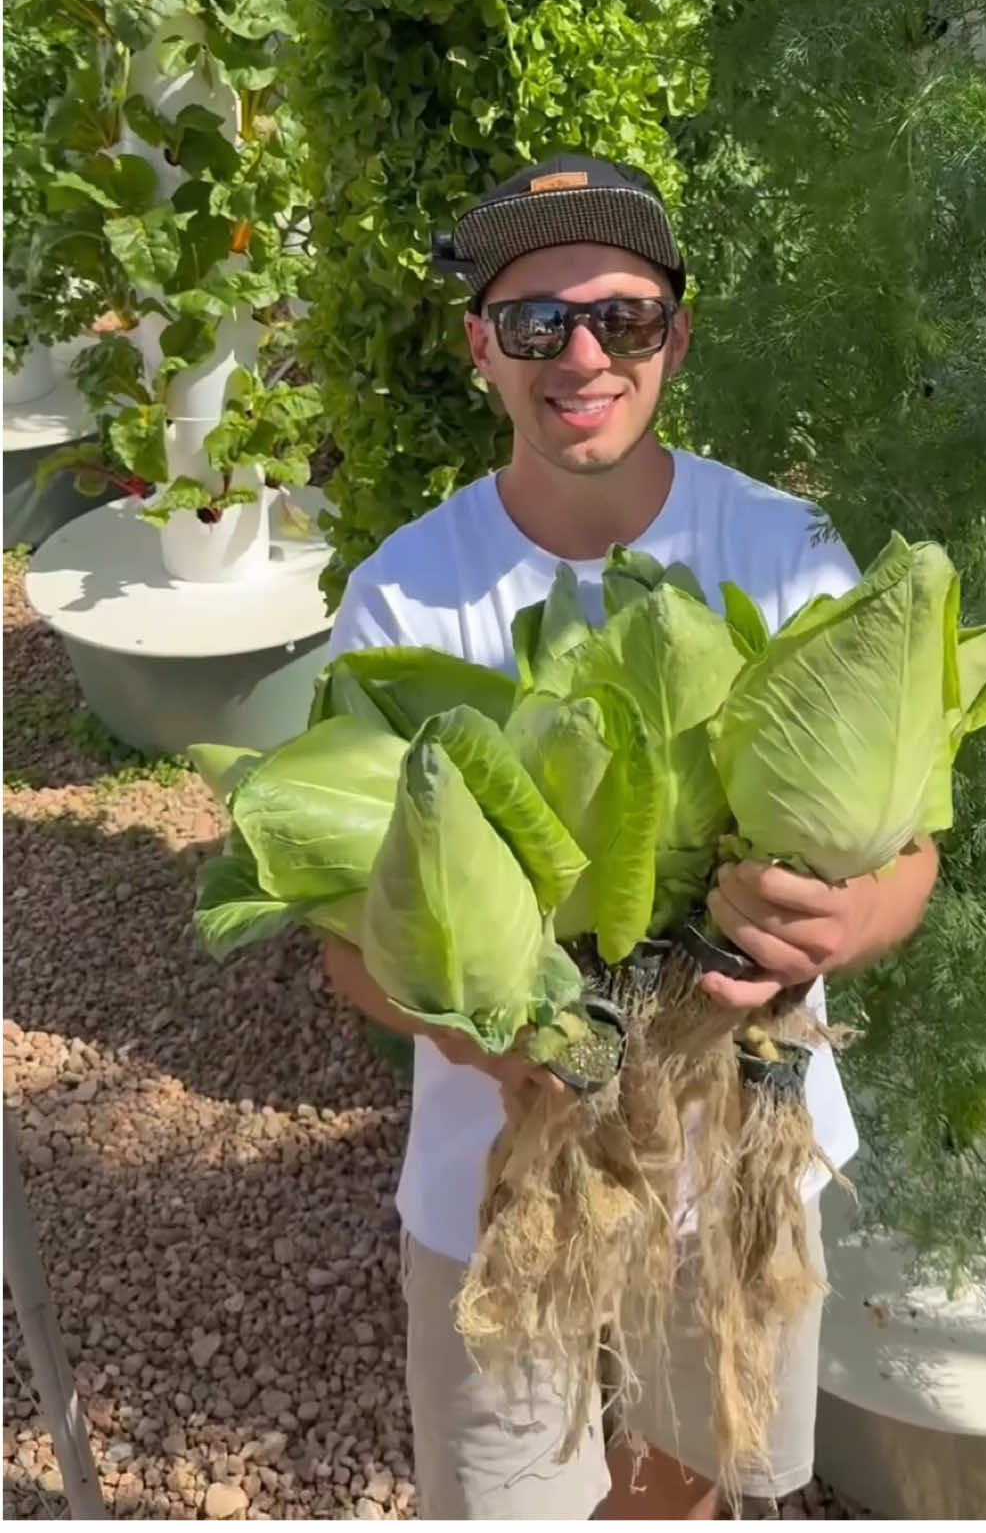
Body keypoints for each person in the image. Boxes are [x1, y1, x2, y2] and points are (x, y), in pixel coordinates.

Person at [322, 154, 939, 1520]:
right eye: (537, 324)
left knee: (690, 1469)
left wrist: (858, 922)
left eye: (624, 316)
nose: (581, 354)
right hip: (500, 1171)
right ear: (483, 348)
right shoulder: (403, 598)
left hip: (738, 1168)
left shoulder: (787, 556)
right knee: (510, 1492)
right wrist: (460, 1022)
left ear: (677, 334)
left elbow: (906, 852)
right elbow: (343, 942)